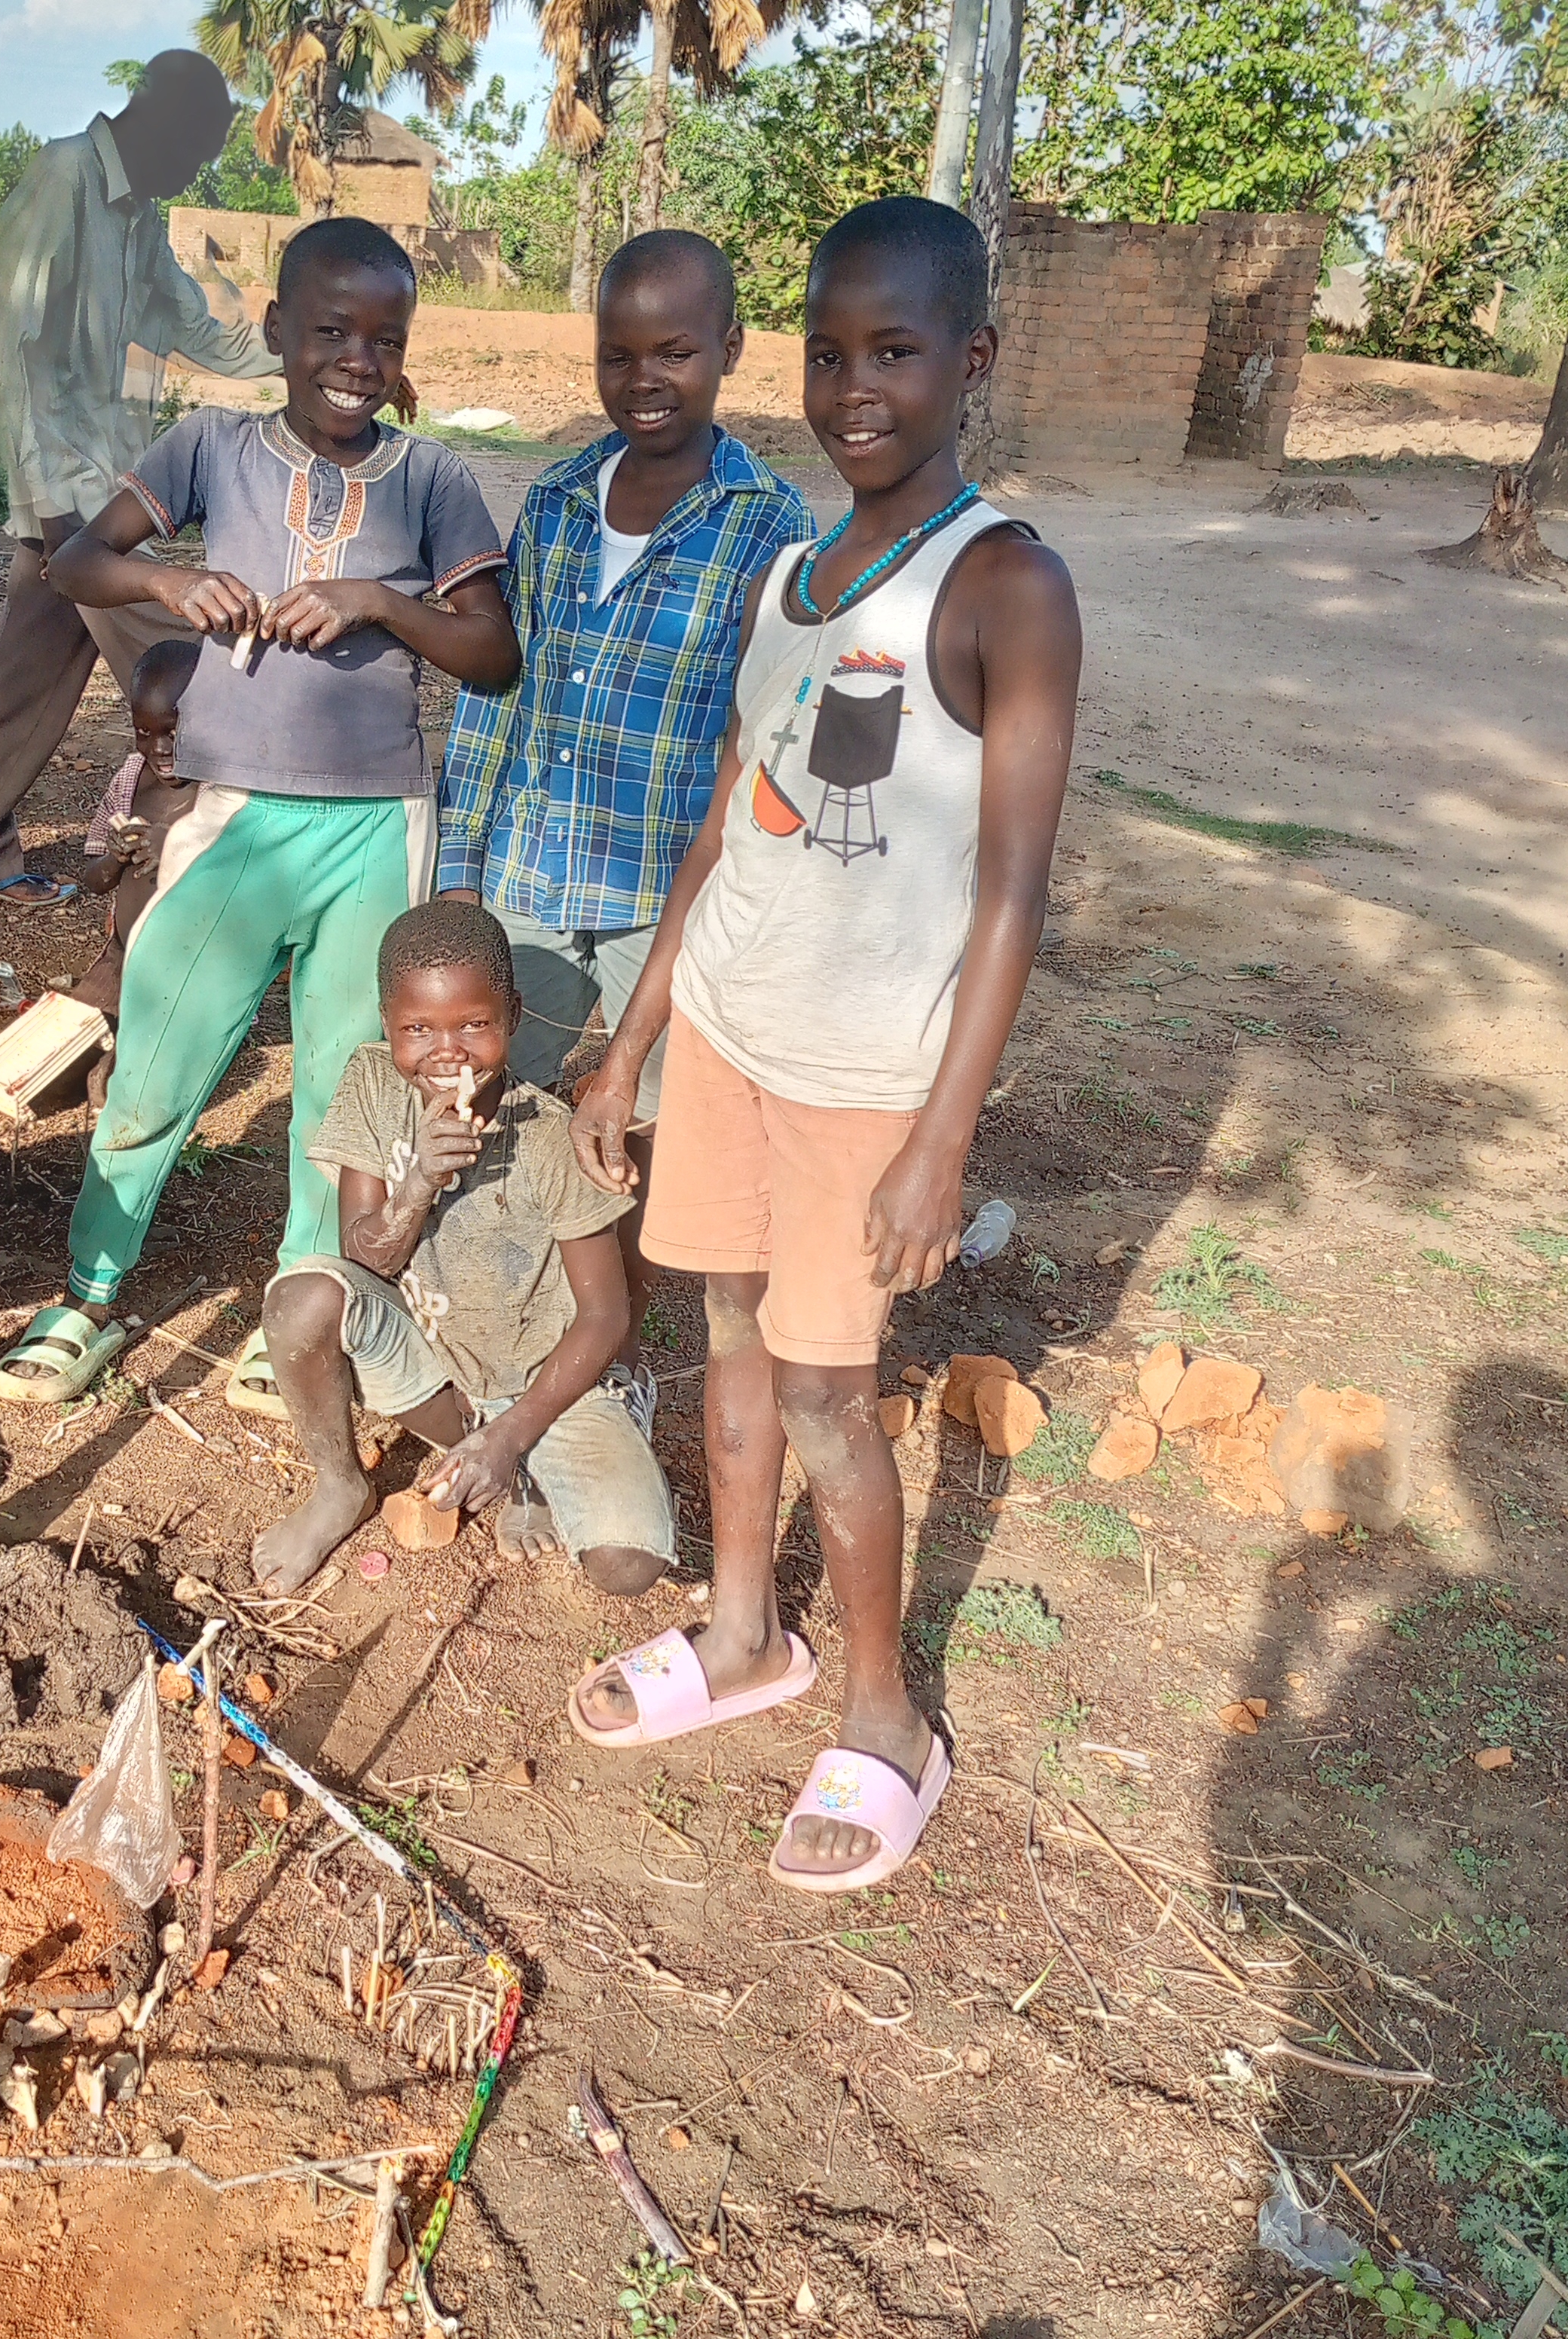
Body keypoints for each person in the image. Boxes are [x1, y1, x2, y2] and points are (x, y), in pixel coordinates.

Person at [566, 198, 1083, 1897]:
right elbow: (731, 818)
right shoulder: (794, 571)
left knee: (826, 1393)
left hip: (865, 1076)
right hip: (725, 1023)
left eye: (897, 352)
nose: (855, 388)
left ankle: (881, 1719)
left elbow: (1010, 893)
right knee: (722, 1327)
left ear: (970, 362)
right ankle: (738, 1636)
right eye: (832, 353)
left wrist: (943, 1137)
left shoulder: (1003, 582)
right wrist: (634, 1034)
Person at [0, 217, 518, 1413]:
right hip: (231, 812)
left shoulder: (431, 479)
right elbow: (78, 563)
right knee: (165, 1045)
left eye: (385, 339)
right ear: (277, 332)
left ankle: (304, 1300)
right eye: (330, 330)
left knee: (344, 1075)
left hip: (375, 823)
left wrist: (380, 601)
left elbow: (492, 654)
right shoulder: (211, 446)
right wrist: (170, 581)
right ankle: (90, 1289)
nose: (358, 359)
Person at [438, 231, 809, 1417]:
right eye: (617, 354)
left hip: (665, 898)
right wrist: (461, 875)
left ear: (731, 351)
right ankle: (488, 1326)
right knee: (499, 1099)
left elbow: (754, 739)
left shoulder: (767, 523)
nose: (644, 379)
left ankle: (616, 1344)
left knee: (649, 1130)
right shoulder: (553, 501)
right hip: (530, 879)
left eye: (675, 353)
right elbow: (497, 698)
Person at [251, 899, 674, 1595]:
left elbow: (605, 1315)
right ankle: (339, 1488)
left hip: (544, 1378)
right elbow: (365, 1261)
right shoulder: (374, 1083)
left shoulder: (547, 1138)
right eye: (418, 1028)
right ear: (387, 1023)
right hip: (438, 1359)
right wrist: (417, 1183)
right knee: (303, 1300)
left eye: (474, 1025)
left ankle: (534, 1447)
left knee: (627, 1567)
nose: (447, 1053)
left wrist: (507, 1436)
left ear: (512, 1014)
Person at [0, 51, 283, 907]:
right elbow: (8, 351)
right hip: (73, 507)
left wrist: (307, 349)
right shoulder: (64, 179)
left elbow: (204, 334)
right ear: (157, 116)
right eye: (198, 144)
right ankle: (231, 870)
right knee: (195, 674)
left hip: (94, 499)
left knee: (29, 679)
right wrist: (54, 513)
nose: (198, 165)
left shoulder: (138, 218)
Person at [67, 636, 200, 1104]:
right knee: (62, 1046)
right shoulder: (129, 778)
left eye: (174, 731)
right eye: (144, 732)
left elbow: (244, 886)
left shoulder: (223, 792)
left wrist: (177, 848)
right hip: (124, 952)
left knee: (128, 1071)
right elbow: (93, 878)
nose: (159, 748)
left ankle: (140, 1057)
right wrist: (116, 857)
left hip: (191, 963)